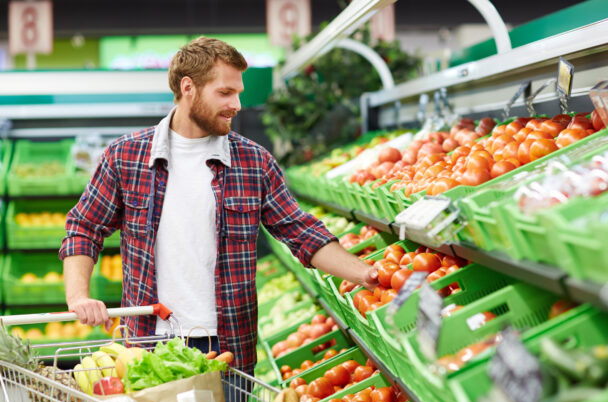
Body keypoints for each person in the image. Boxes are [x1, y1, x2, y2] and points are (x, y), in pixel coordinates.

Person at [59, 36, 378, 380]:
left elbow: (300, 232)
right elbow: (84, 226)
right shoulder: (126, 156)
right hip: (149, 347)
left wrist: (367, 274)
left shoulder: (253, 161)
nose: (237, 104)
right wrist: (78, 296)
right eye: (225, 93)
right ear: (188, 88)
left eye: (238, 93)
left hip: (227, 350)